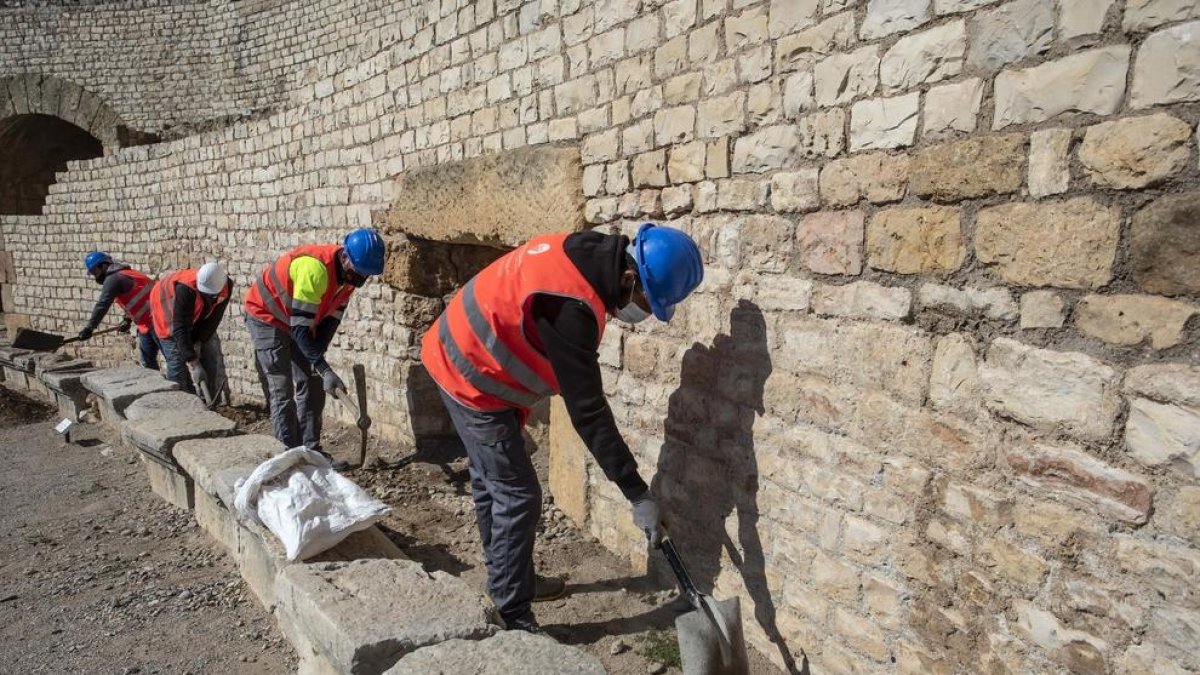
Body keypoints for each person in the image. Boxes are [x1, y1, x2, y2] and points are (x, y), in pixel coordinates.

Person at [420, 223, 704, 633]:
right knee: (517, 495)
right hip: (465, 371)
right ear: (629, 276)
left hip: (470, 355)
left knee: (492, 482)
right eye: (646, 300)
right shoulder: (571, 306)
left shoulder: (591, 254)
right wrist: (636, 493)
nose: (641, 313)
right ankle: (511, 613)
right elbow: (588, 412)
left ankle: (509, 579)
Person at [242, 228, 386, 464]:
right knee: (282, 389)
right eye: (360, 272)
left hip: (298, 321)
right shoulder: (315, 270)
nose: (362, 279)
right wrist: (324, 367)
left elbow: (329, 321)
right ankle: (288, 459)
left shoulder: (348, 279)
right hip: (267, 315)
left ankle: (311, 453)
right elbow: (300, 330)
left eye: (367, 275)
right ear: (345, 257)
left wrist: (318, 365)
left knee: (314, 382)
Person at [148, 262, 232, 405]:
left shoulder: (226, 285)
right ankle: (181, 408)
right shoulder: (185, 289)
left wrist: (199, 341)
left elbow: (213, 319)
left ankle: (210, 403)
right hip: (167, 313)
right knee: (177, 364)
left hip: (195, 316)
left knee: (210, 355)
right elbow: (180, 328)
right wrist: (193, 361)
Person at [77, 252, 159, 369]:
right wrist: (127, 319)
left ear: (104, 266)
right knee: (148, 362)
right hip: (145, 324)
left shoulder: (114, 278)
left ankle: (184, 387)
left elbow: (102, 304)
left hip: (157, 321)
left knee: (172, 362)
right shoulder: (124, 274)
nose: (96, 277)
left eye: (95, 272)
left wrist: (89, 328)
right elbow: (135, 299)